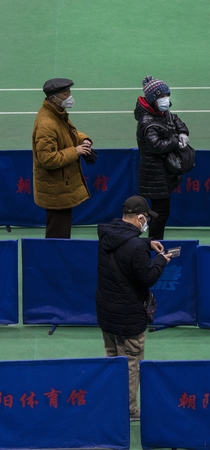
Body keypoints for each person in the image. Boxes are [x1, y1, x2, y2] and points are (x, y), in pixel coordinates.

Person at [95, 195, 172, 420]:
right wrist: (161, 261)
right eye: (146, 218)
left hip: (106, 312)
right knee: (130, 364)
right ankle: (129, 410)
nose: (146, 222)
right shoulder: (136, 246)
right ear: (139, 217)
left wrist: (147, 242)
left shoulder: (107, 235)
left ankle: (112, 400)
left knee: (111, 356)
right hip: (128, 317)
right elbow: (147, 278)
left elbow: (124, 245)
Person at [32, 78, 94, 238]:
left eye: (69, 92)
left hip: (61, 189)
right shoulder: (47, 124)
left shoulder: (57, 114)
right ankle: (52, 263)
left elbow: (68, 134)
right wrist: (76, 151)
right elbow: (48, 159)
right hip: (56, 191)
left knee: (61, 231)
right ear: (53, 97)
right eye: (65, 93)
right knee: (57, 235)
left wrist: (83, 139)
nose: (69, 96)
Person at [135, 76, 190, 240]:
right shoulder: (146, 121)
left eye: (166, 95)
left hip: (162, 174)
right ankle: (154, 245)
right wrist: (176, 141)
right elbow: (156, 146)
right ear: (152, 100)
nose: (165, 99)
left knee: (160, 212)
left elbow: (176, 120)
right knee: (160, 213)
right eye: (161, 97)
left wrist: (182, 132)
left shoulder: (162, 112)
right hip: (154, 175)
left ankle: (154, 243)